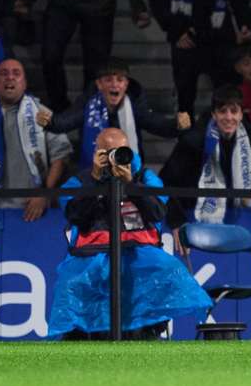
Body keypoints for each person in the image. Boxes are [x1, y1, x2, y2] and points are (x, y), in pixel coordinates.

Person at [47, 128, 212, 339]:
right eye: (108, 152)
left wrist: (131, 185)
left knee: (168, 269)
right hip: (91, 254)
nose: (114, 158)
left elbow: (157, 212)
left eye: (120, 151)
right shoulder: (79, 181)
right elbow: (74, 216)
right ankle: (81, 336)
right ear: (97, 153)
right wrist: (96, 182)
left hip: (140, 251)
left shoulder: (145, 177)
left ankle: (148, 332)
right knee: (72, 280)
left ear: (130, 151)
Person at [38, 58, 188, 169]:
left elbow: (156, 123)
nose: (114, 84)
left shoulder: (135, 104)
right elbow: (67, 121)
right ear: (99, 84)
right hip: (92, 171)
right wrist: (50, 122)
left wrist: (177, 125)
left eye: (120, 80)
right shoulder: (88, 103)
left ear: (126, 84)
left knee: (155, 189)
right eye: (108, 80)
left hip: (129, 171)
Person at [161, 85, 251, 230]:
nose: (229, 117)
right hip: (194, 216)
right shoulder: (194, 140)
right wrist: (176, 221)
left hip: (242, 216)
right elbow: (166, 181)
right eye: (223, 111)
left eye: (234, 111)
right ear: (214, 114)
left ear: (241, 114)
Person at [0, 59, 71, 219]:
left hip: (32, 209)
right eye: (3, 74)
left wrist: (44, 193)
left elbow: (61, 156)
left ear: (24, 83)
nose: (10, 78)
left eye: (16, 74)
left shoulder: (42, 113)